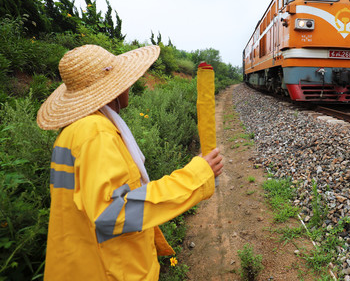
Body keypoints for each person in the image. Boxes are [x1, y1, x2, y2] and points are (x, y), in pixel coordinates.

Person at [36, 44, 223, 280]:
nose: (129, 84)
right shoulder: (96, 133)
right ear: (112, 88)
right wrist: (197, 174)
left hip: (82, 263)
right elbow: (113, 214)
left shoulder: (74, 131)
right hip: (108, 270)